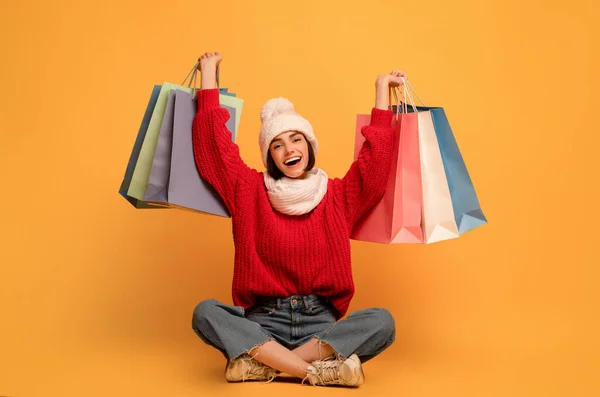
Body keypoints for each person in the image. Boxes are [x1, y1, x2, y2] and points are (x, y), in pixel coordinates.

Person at [191, 51, 406, 387]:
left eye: (295, 139)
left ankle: (264, 364)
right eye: (277, 145)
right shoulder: (248, 190)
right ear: (270, 156)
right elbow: (213, 148)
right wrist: (207, 76)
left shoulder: (337, 195)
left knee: (382, 321)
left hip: (320, 325)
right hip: (262, 322)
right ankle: (314, 372)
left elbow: (374, 168)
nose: (289, 149)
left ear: (308, 145)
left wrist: (382, 93)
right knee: (205, 312)